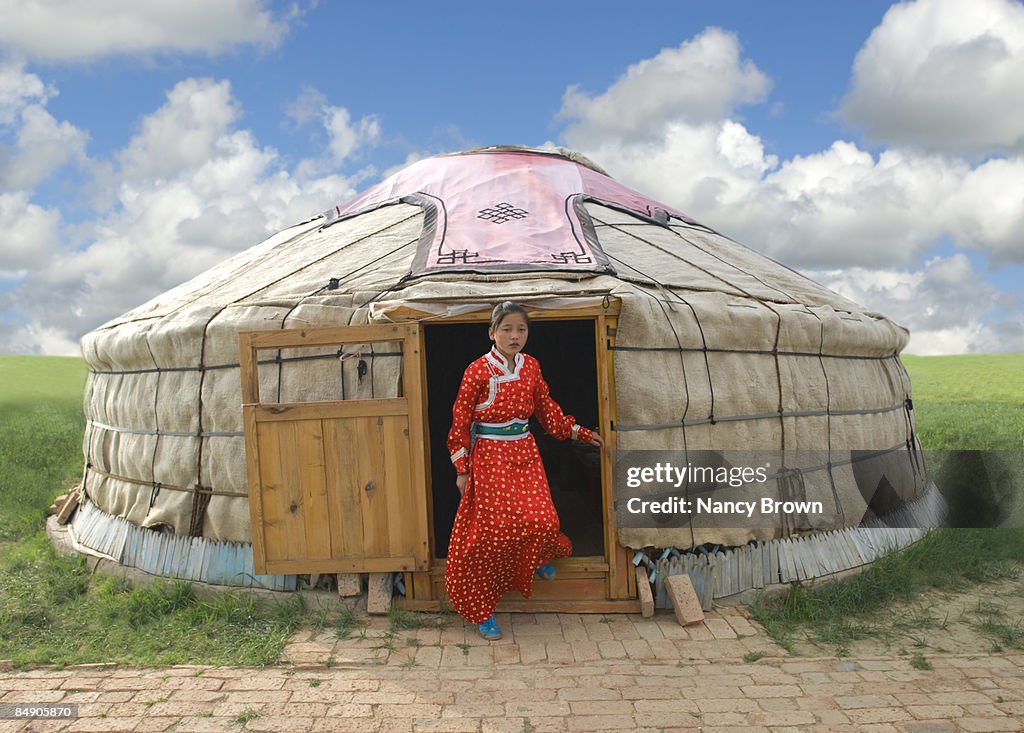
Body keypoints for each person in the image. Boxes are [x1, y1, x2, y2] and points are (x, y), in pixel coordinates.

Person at [445, 301, 604, 640]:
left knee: (543, 520)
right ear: (492, 333)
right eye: (507, 329)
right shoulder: (477, 371)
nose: (514, 336)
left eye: (521, 329)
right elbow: (459, 422)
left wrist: (581, 433)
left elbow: (548, 411)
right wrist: (462, 469)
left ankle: (536, 558)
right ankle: (483, 611)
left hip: (525, 451)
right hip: (489, 456)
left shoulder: (531, 366)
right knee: (489, 536)